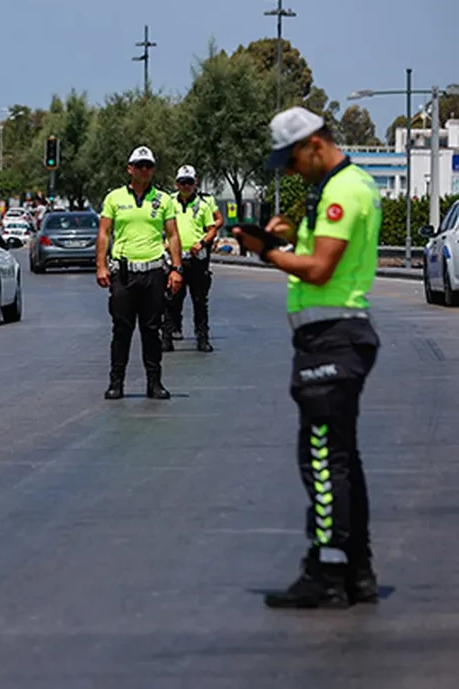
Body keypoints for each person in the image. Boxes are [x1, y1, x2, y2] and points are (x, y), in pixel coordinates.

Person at [235, 108, 382, 610]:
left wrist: (265, 252)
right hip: (337, 336)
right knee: (341, 458)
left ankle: (327, 571)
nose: (292, 172)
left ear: (314, 144)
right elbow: (319, 255)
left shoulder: (343, 191)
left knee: (321, 458)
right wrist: (282, 239)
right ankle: (357, 570)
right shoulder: (340, 187)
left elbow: (320, 269)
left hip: (332, 339)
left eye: (293, 161)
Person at [95, 146, 184, 400]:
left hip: (153, 272)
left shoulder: (163, 200)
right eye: (140, 165)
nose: (145, 170)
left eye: (149, 166)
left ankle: (154, 383)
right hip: (123, 273)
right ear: (130, 169)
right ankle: (116, 383)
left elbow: (173, 235)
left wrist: (176, 269)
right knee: (121, 330)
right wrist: (101, 265)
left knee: (151, 330)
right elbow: (104, 233)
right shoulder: (114, 198)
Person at [163, 165, 224, 353]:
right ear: (177, 184)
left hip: (196, 259)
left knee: (199, 300)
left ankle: (202, 338)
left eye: (189, 182)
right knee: (171, 299)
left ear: (195, 183)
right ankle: (167, 338)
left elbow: (212, 228)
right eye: (182, 182)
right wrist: (164, 244)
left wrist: (202, 243)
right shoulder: (168, 203)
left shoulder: (203, 204)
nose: (186, 186)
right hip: (175, 258)